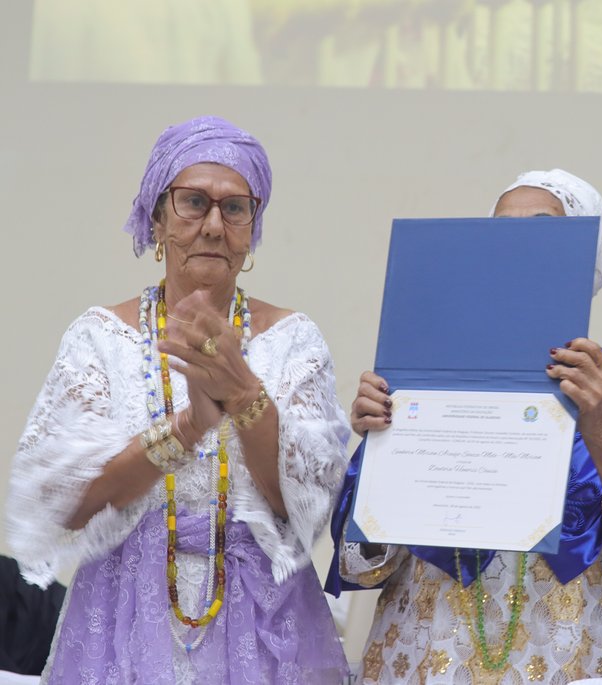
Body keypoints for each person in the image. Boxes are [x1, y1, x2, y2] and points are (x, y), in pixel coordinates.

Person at [5, 116, 349, 683]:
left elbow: (301, 508)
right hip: (121, 616)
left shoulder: (294, 340)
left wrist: (243, 393)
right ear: (157, 218)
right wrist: (187, 428)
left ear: (252, 230)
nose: (214, 225)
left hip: (264, 624)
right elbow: (71, 503)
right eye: (194, 202)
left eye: (235, 208)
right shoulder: (99, 337)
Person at [325, 168, 602, 684]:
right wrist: (382, 450)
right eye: (501, 231)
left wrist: (600, 426)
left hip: (569, 660)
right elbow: (363, 564)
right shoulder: (425, 372)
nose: (518, 247)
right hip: (427, 655)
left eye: (543, 231)